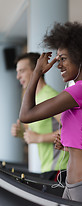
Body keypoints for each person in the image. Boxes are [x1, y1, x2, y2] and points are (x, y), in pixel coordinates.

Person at [19, 22, 82, 206]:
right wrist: (72, 144)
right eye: (57, 59)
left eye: (63, 59)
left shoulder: (81, 90)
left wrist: (37, 73)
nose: (58, 65)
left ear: (80, 58)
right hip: (74, 186)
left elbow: (26, 114)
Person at [11, 52, 69, 181]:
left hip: (60, 168)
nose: (18, 76)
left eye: (22, 71)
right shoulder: (35, 98)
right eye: (17, 71)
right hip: (48, 168)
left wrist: (40, 138)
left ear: (36, 70)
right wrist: (22, 133)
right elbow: (39, 133)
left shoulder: (49, 96)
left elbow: (71, 129)